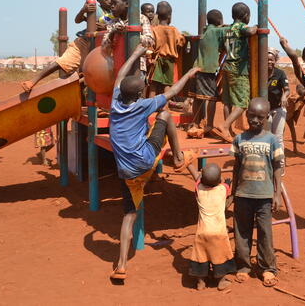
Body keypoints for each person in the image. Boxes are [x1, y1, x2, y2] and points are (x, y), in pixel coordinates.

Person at [108, 45, 198, 282]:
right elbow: (171, 93)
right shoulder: (142, 105)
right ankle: (178, 157)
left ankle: (121, 265)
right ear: (139, 95)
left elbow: (120, 76)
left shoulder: (115, 102)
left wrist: (136, 53)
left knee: (129, 215)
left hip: (125, 171)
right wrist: (189, 74)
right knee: (165, 115)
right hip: (145, 160)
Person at [230, 97, 283, 287]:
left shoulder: (272, 140)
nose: (254, 120)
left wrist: (276, 194)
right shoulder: (239, 139)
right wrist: (232, 191)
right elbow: (236, 167)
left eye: (260, 117)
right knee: (241, 232)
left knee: (265, 233)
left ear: (267, 117)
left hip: (264, 196)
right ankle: (243, 266)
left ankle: (267, 268)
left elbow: (277, 167)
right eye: (251, 115)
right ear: (246, 114)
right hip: (243, 194)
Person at [22, 0, 115, 92]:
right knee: (63, 62)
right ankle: (34, 80)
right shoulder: (95, 9)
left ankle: (82, 100)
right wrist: (83, 10)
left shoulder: (114, 11)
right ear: (99, 0)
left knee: (89, 74)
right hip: (83, 43)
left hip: (100, 46)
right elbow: (77, 20)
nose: (110, 1)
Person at [184, 162, 235, 291]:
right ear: (219, 180)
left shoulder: (199, 190)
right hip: (218, 232)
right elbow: (226, 185)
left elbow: (197, 178)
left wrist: (188, 163)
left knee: (201, 256)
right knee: (220, 255)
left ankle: (200, 282)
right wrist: (227, 181)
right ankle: (221, 281)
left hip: (202, 232)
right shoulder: (223, 189)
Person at [211, 3, 258, 142]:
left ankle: (228, 131)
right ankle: (225, 126)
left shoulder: (227, 29)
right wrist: (256, 27)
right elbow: (250, 32)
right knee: (243, 103)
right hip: (238, 69)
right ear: (245, 16)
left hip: (226, 67)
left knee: (227, 101)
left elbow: (221, 48)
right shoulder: (240, 27)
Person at [188, 9, 226, 137]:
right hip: (207, 70)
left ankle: (196, 122)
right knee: (212, 98)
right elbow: (230, 30)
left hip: (196, 68)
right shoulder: (216, 31)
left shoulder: (205, 30)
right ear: (219, 21)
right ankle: (209, 124)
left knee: (197, 97)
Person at [149, 1, 185, 95]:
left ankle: (150, 106)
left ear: (157, 15)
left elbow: (151, 44)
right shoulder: (174, 30)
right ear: (170, 16)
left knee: (154, 83)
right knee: (167, 84)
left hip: (157, 59)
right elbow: (181, 42)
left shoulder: (154, 29)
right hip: (170, 61)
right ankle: (165, 105)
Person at [267, 48, 290, 151]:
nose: (269, 62)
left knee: (278, 138)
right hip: (264, 110)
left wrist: (284, 96)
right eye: (267, 59)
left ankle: (279, 163)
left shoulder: (280, 73)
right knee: (266, 137)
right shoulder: (258, 73)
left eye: (271, 59)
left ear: (275, 60)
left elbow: (287, 89)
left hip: (278, 109)